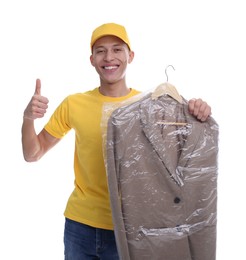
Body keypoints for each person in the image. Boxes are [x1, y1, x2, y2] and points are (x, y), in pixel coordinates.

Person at [21, 22, 212, 260]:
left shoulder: (149, 108)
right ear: (91, 59)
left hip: (130, 228)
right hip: (80, 226)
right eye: (100, 50)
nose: (108, 57)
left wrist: (197, 113)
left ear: (130, 56)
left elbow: (175, 160)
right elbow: (33, 153)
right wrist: (28, 118)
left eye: (117, 49)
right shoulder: (74, 104)